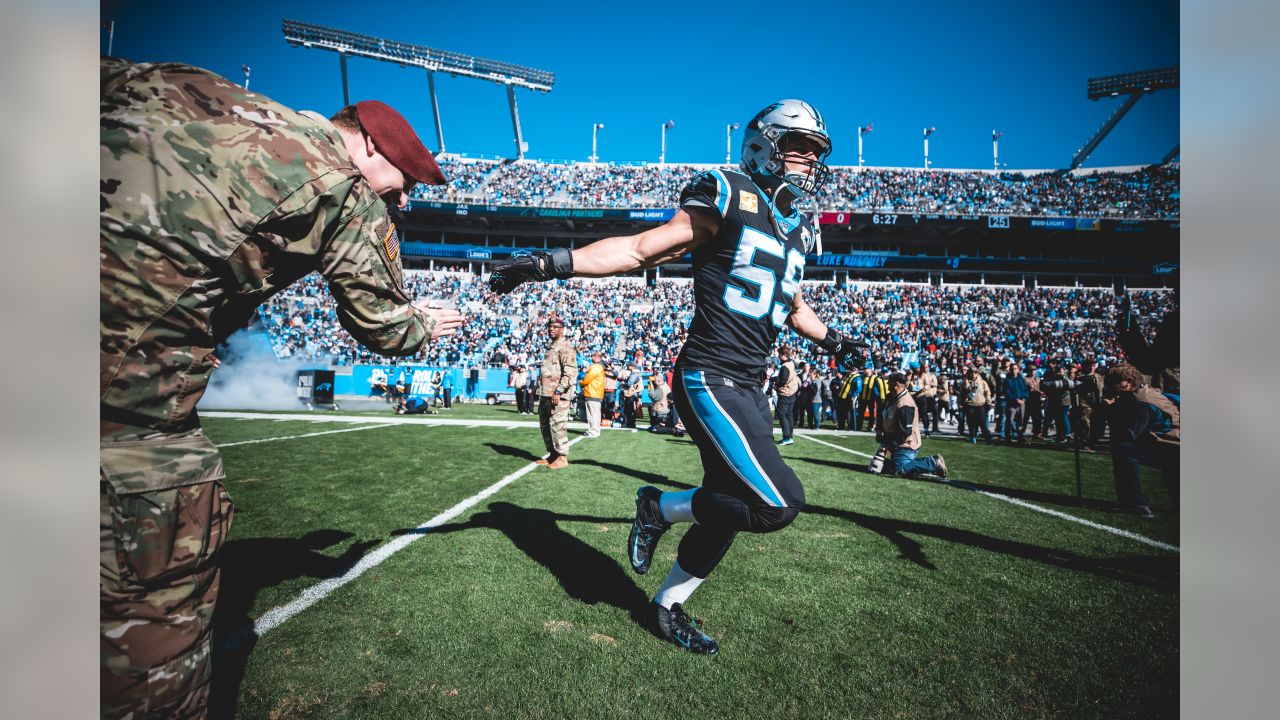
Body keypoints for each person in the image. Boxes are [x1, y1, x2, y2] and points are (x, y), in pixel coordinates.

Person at [100, 60, 464, 719]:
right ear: (371, 146)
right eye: (405, 183)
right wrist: (422, 325)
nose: (404, 200)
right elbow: (382, 325)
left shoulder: (201, 88)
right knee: (152, 634)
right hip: (122, 396)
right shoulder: (347, 188)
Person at [489, 99, 868, 655]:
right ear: (764, 144)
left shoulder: (797, 227)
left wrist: (834, 340)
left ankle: (667, 608)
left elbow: (790, 304)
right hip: (710, 375)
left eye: (815, 152)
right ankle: (658, 509)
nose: (809, 162)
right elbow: (642, 250)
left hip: (750, 381)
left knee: (730, 504)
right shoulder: (727, 193)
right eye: (800, 148)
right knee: (776, 503)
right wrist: (549, 265)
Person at [1103, 364, 1180, 518]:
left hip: (1172, 446)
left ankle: (1135, 504)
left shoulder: (1141, 402)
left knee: (1123, 448)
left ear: (1128, 382)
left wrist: (1110, 410)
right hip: (1174, 443)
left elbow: (1128, 433)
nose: (1110, 386)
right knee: (1173, 475)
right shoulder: (1144, 391)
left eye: (1114, 382)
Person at [878, 372, 947, 478]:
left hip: (906, 444)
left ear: (896, 385)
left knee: (898, 469)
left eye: (889, 383)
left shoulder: (905, 404)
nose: (887, 385)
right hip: (897, 442)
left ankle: (933, 462)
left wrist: (889, 445)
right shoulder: (892, 398)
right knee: (881, 466)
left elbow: (905, 432)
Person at [536, 317, 578, 468]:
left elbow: (570, 373)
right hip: (545, 393)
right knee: (545, 425)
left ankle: (562, 457)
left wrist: (559, 391)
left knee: (558, 424)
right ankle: (553, 453)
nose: (551, 329)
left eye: (555, 327)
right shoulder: (550, 347)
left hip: (557, 395)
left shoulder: (565, 347)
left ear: (562, 329)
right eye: (549, 326)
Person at [774, 346, 801, 444]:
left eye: (780, 355)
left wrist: (776, 385)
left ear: (784, 355)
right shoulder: (791, 364)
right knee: (789, 415)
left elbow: (783, 380)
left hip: (785, 393)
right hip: (792, 393)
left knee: (782, 415)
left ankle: (787, 437)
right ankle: (790, 436)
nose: (779, 357)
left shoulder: (785, 366)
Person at [962, 366, 994, 443]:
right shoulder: (965, 382)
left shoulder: (983, 382)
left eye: (975, 372)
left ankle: (988, 437)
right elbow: (961, 394)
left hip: (980, 404)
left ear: (978, 373)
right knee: (971, 423)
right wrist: (961, 403)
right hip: (969, 404)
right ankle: (973, 437)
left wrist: (989, 402)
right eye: (971, 372)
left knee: (982, 422)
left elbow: (987, 393)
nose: (973, 374)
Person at [580, 351, 607, 437]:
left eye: (592, 356)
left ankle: (593, 431)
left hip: (592, 393)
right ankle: (595, 430)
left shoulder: (596, 367)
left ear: (596, 356)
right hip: (596, 393)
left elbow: (587, 379)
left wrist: (581, 382)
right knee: (595, 414)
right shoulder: (600, 366)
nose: (591, 358)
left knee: (592, 414)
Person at [1001, 361, 1029, 444]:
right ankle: (1007, 438)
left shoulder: (1021, 379)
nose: (1014, 370)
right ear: (1010, 370)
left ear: (1018, 370)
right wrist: (1016, 399)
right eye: (1012, 369)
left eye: (1015, 369)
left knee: (1020, 421)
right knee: (1009, 421)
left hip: (1021, 404)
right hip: (1012, 404)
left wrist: (1023, 399)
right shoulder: (1007, 380)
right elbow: (1007, 392)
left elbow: (1025, 390)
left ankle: (1020, 437)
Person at [915, 362, 940, 436]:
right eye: (925, 367)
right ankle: (923, 428)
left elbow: (935, 385)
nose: (926, 368)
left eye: (927, 367)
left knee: (935, 410)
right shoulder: (920, 375)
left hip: (930, 396)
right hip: (923, 396)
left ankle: (935, 427)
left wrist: (932, 392)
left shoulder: (931, 375)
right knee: (922, 412)